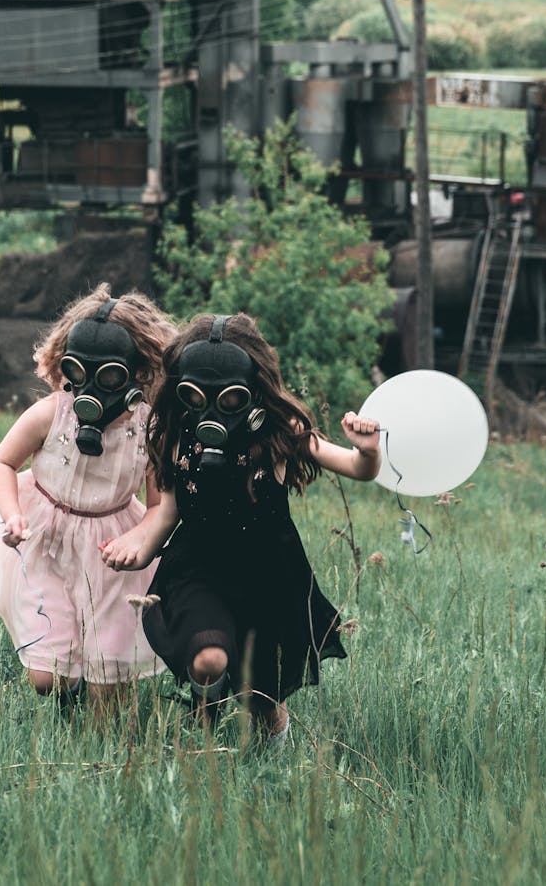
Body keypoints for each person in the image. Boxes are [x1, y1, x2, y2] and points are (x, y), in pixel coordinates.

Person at [100, 311, 380, 745]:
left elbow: (358, 469)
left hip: (268, 576)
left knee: (262, 698)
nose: (211, 410)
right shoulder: (177, 432)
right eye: (196, 396)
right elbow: (167, 512)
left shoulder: (280, 432)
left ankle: (270, 747)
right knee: (208, 659)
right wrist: (138, 548)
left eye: (229, 399)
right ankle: (204, 725)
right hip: (198, 570)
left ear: (253, 388)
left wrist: (368, 451)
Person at [0, 283, 176, 715]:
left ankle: (102, 738)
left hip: (112, 548)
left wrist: (139, 540)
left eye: (108, 376)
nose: (89, 387)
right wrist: (12, 514)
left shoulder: (149, 429)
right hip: (45, 540)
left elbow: (158, 504)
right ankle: (67, 689)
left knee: (108, 677)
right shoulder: (51, 412)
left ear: (138, 372)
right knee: (48, 677)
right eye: (77, 371)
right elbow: (2, 462)